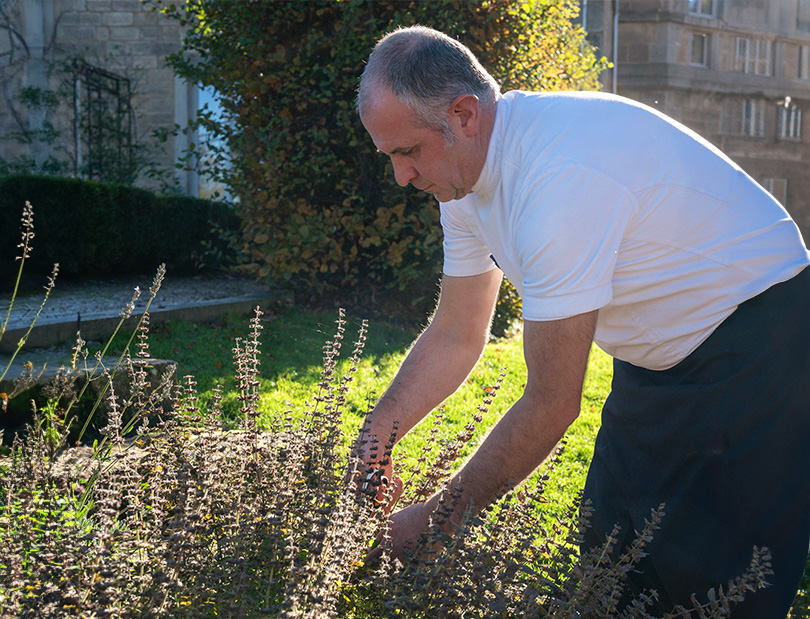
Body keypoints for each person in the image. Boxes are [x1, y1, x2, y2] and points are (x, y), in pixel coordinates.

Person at [354, 25, 810, 617]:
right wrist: (375, 440)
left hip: (760, 344)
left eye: (407, 152)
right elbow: (457, 332)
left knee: (715, 589)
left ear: (465, 115)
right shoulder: (463, 183)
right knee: (609, 560)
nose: (401, 177)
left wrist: (434, 521)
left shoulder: (559, 180)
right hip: (655, 359)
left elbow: (551, 403)